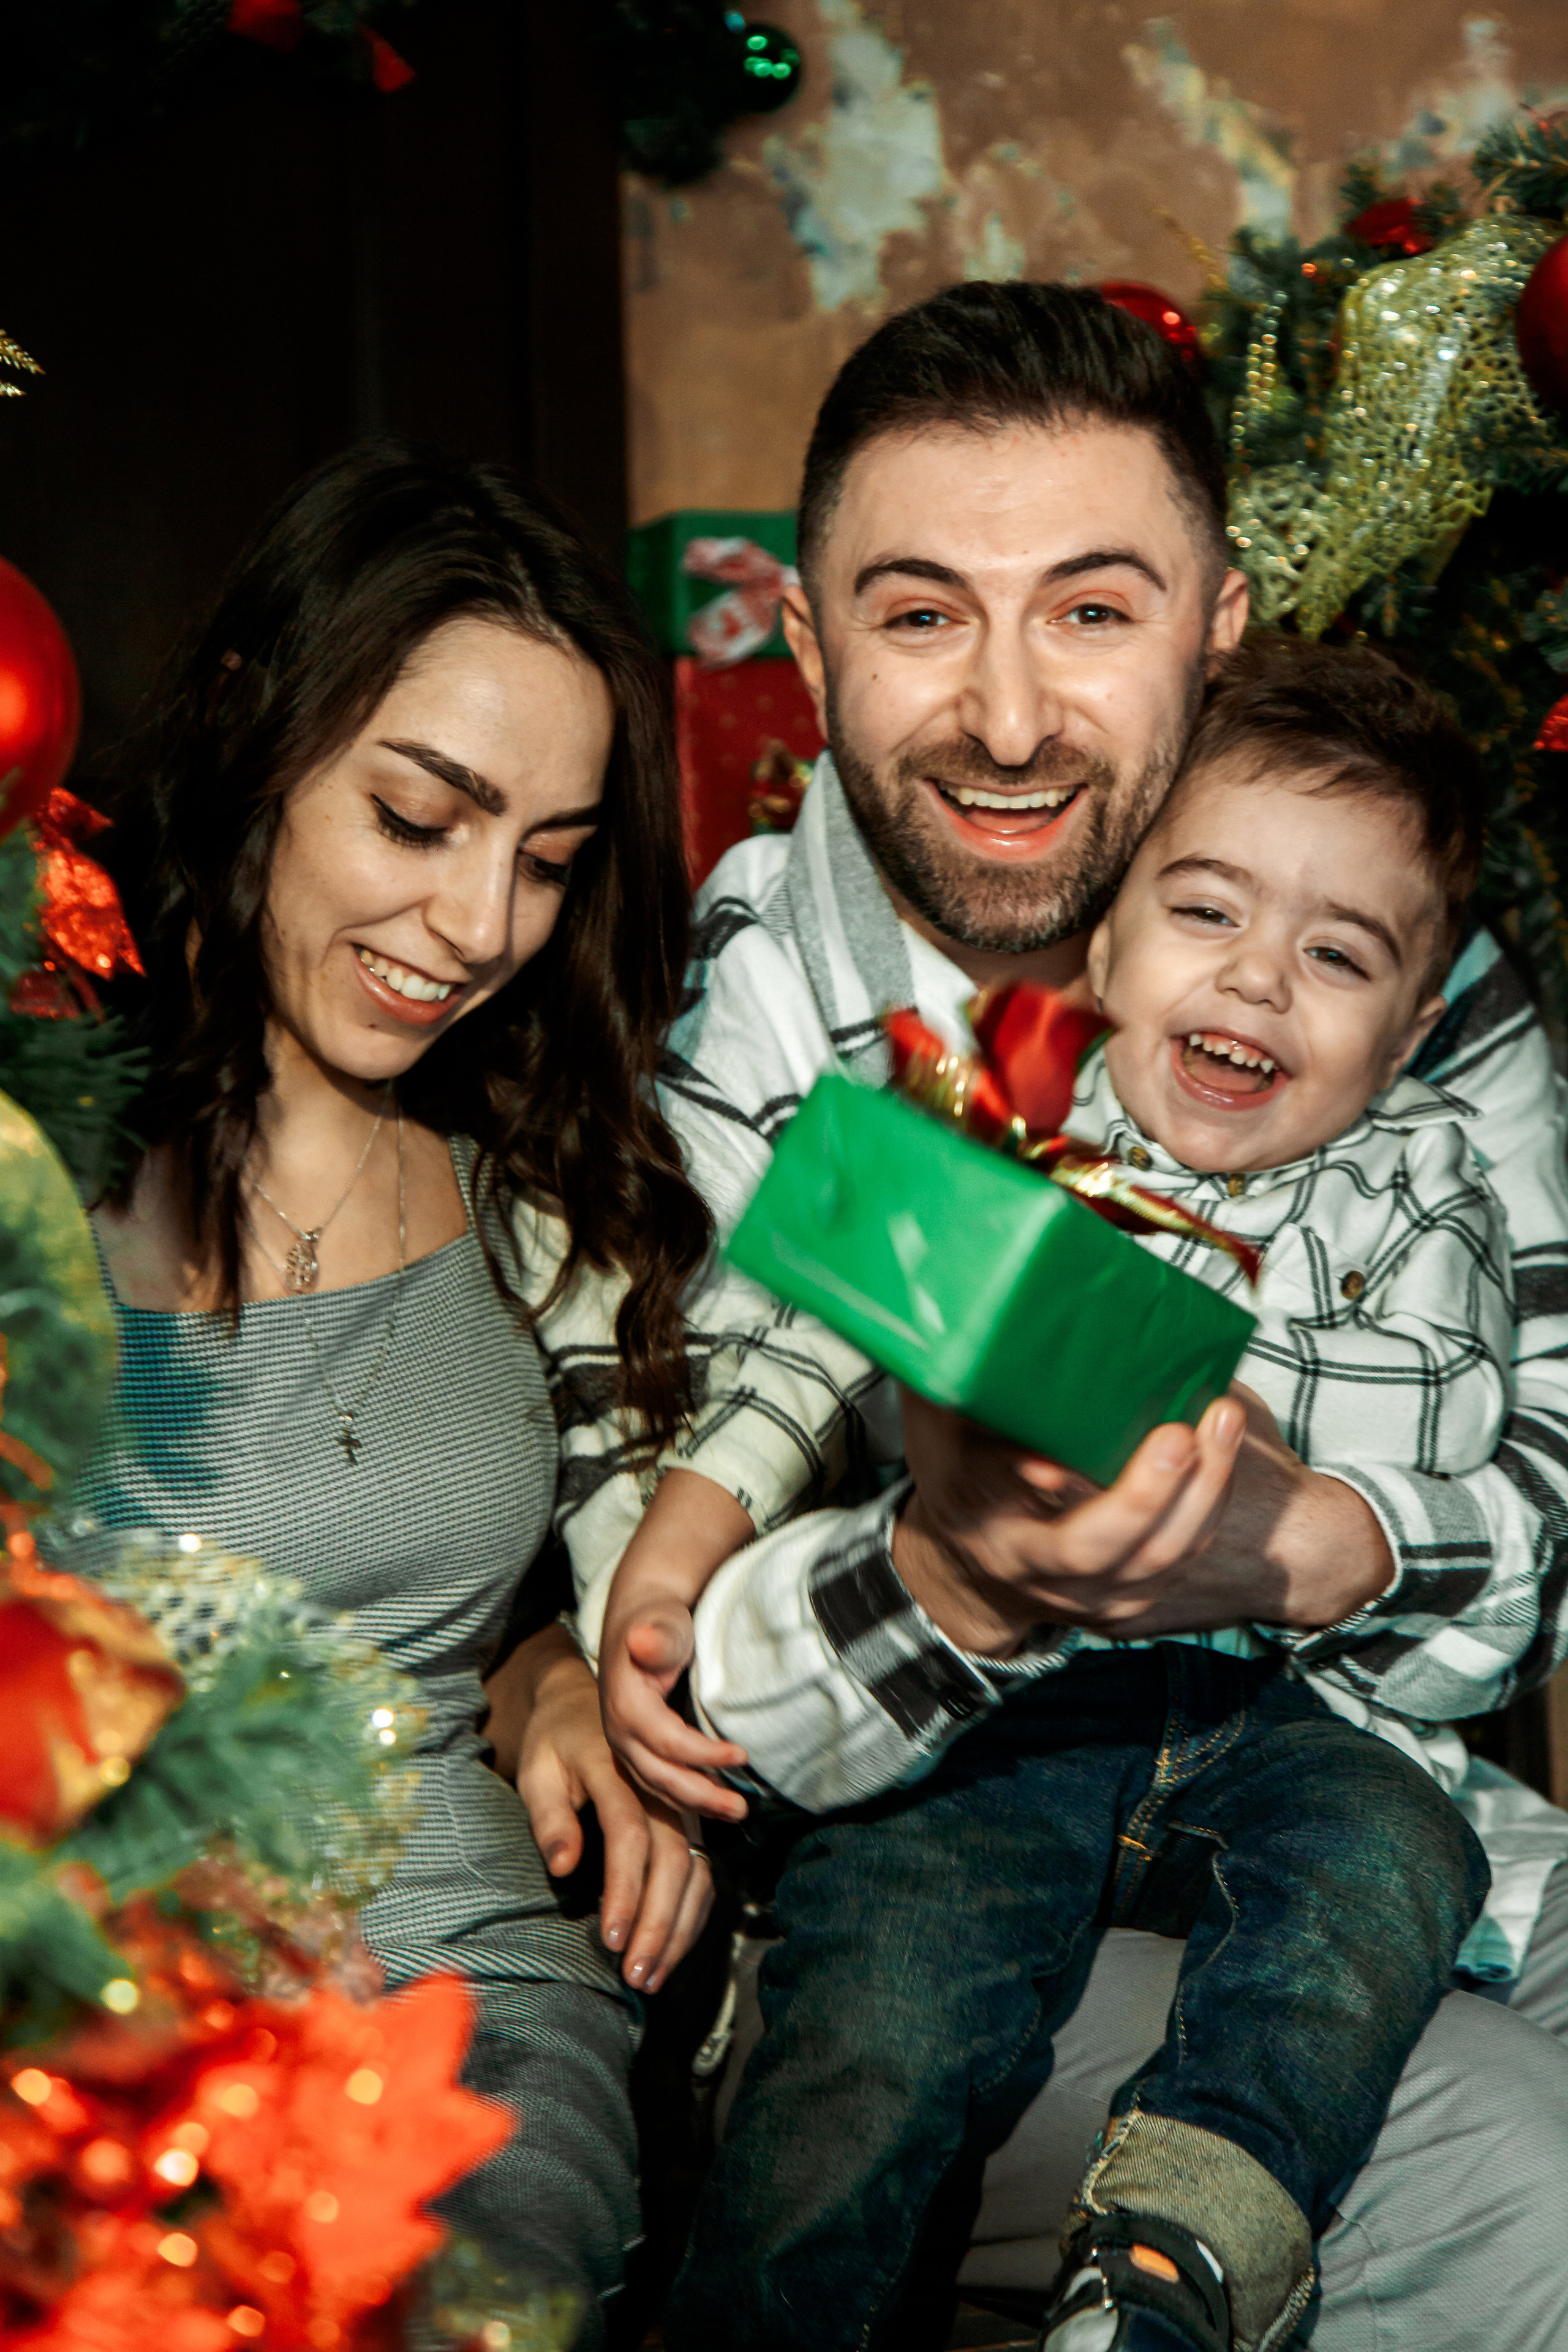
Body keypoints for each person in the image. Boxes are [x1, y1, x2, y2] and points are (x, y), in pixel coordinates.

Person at [508, 282, 1568, 2348]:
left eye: (1093, 610)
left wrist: (1323, 1545)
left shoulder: (1387, 962)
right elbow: (687, 1663)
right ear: (808, 654)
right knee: (1530, 2192)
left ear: (1221, 626)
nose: (1009, 719)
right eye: (921, 617)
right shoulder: (712, 1035)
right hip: (899, 1851)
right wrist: (965, 1582)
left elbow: (1537, 1494)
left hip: (1334, 1786)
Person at [663, 632, 1539, 2351]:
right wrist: (701, 1512)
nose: (1258, 983)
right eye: (1206, 913)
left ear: (1415, 1023)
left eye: (1339, 953)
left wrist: (1133, 1356)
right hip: (1015, 1717)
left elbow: (1440, 1413)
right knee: (890, 1977)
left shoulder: (1422, 1185)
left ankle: (1164, 2272)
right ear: (1110, 925)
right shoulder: (1014, 1118)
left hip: (1288, 1726)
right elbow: (813, 1334)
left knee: (1392, 1866)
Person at [67, 437, 818, 2348]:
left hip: (462, 1999)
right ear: (254, 728)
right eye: (419, 819)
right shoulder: (39, 1142)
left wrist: (537, 1660)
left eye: (546, 861)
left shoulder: (538, 1197)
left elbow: (522, 1557)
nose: (482, 925)